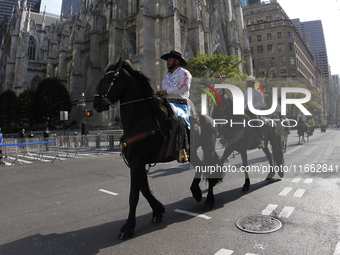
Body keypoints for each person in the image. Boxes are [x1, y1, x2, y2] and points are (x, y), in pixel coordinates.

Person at [156, 50, 192, 162]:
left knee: (178, 121)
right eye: (167, 60)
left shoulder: (184, 73)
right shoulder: (167, 76)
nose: (167, 62)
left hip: (180, 103)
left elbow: (184, 87)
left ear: (176, 62)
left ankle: (184, 149)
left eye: (170, 60)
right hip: (166, 102)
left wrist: (166, 91)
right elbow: (164, 91)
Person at [243, 76, 265, 148]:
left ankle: (261, 140)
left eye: (250, 82)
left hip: (255, 112)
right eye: (248, 82)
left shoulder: (258, 92)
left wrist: (252, 107)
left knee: (256, 123)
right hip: (246, 111)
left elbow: (262, 103)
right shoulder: (245, 92)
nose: (248, 83)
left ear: (253, 83)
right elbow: (244, 102)